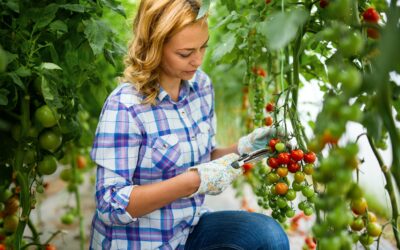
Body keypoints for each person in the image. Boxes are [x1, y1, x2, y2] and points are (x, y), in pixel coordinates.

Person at [89, 0, 290, 249]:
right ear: (155, 46)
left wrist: (246, 148)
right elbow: (109, 204)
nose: (197, 60)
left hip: (187, 229)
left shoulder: (201, 87)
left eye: (203, 48)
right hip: (141, 241)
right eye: (185, 53)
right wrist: (192, 182)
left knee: (268, 236)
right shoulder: (126, 106)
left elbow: (206, 158)